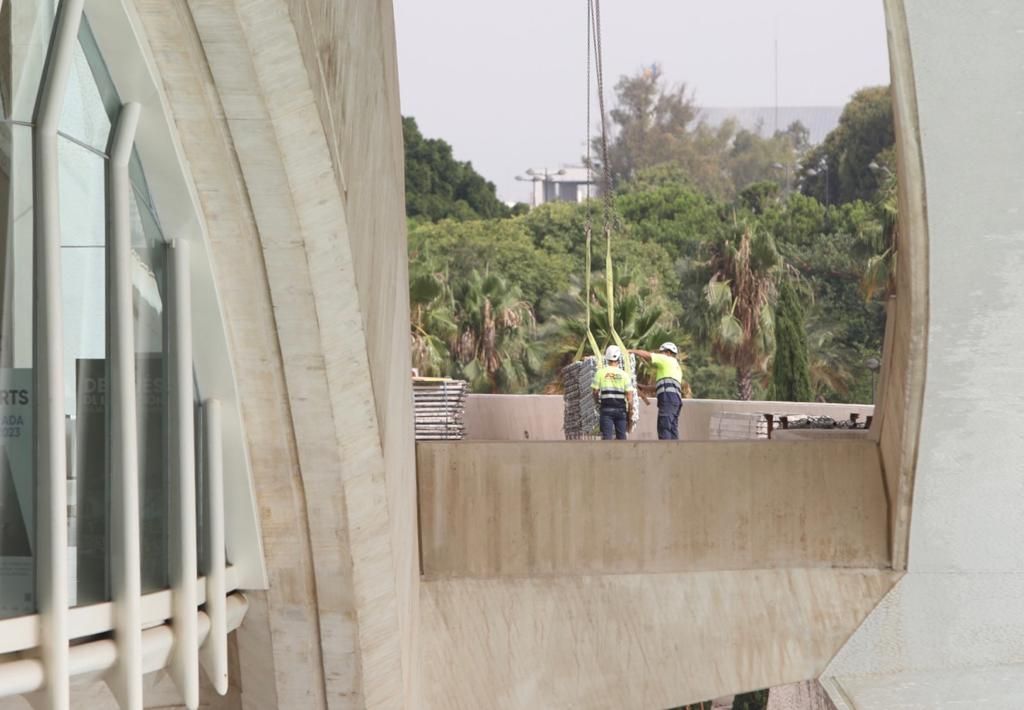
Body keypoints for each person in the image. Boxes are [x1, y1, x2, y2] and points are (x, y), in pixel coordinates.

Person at [630, 342, 683, 440]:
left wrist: (631, 351)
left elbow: (647, 355)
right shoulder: (674, 367)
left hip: (668, 398)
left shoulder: (666, 359)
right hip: (675, 400)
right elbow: (659, 386)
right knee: (672, 428)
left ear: (668, 352)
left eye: (661, 352)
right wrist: (644, 387)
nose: (660, 354)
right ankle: (675, 452)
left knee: (664, 426)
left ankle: (665, 451)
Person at [591, 345, 635, 440]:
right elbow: (630, 398)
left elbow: (595, 392)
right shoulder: (624, 375)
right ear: (619, 358)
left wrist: (597, 402)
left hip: (606, 410)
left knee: (607, 438)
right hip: (621, 411)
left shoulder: (600, 373)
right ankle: (621, 454)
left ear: (607, 358)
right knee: (622, 438)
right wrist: (630, 413)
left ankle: (607, 454)